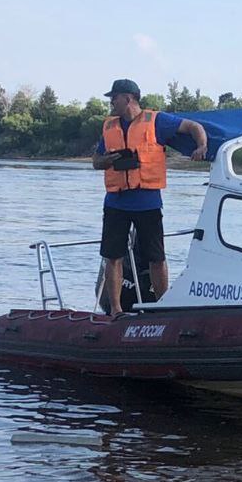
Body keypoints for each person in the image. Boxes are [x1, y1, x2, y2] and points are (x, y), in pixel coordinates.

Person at [91, 78, 207, 315]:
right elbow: (96, 161)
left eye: (114, 97)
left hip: (148, 203)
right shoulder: (110, 127)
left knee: (156, 257)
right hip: (116, 202)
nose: (111, 101)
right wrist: (108, 160)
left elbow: (194, 127)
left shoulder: (157, 121)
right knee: (113, 256)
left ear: (128, 98)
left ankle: (163, 308)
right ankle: (115, 310)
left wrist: (201, 146)